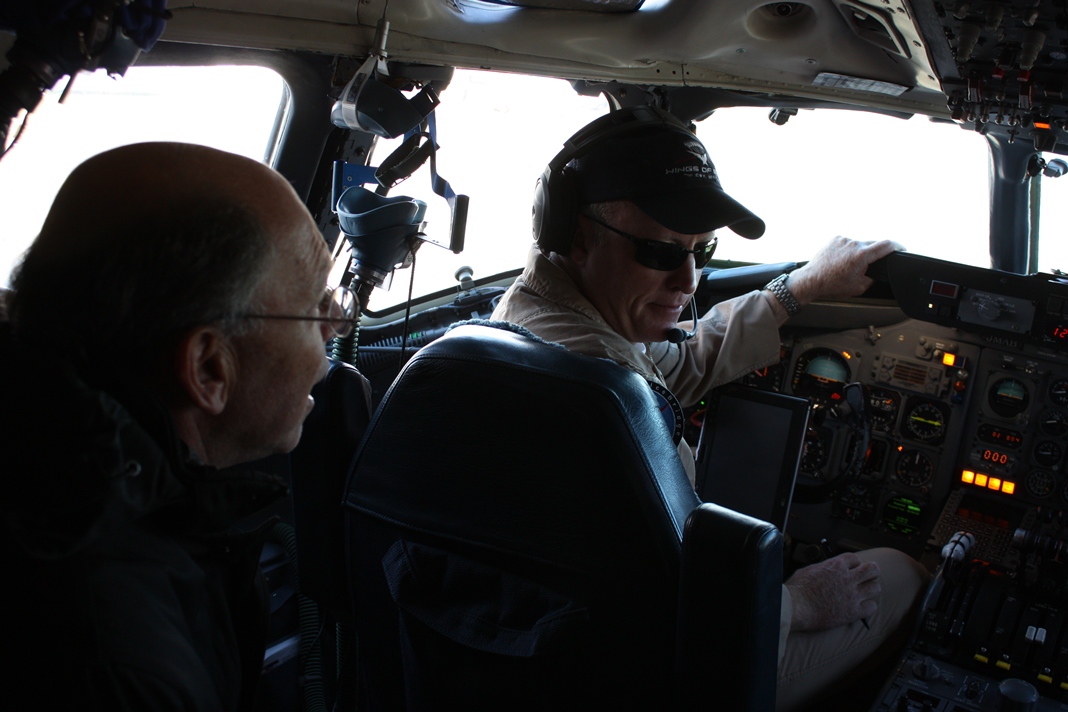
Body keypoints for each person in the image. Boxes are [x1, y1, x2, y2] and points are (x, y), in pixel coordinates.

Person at [492, 107, 929, 711]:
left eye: (704, 250)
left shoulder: (539, 320)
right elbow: (681, 602)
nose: (689, 281)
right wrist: (799, 601)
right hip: (641, 673)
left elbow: (677, 367)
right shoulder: (601, 399)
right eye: (660, 251)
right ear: (575, 232)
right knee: (901, 574)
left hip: (527, 646)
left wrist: (794, 289)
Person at [1, 142, 351, 710]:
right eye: (317, 309)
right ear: (209, 368)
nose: (334, 332)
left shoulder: (50, 477)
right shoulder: (121, 663)